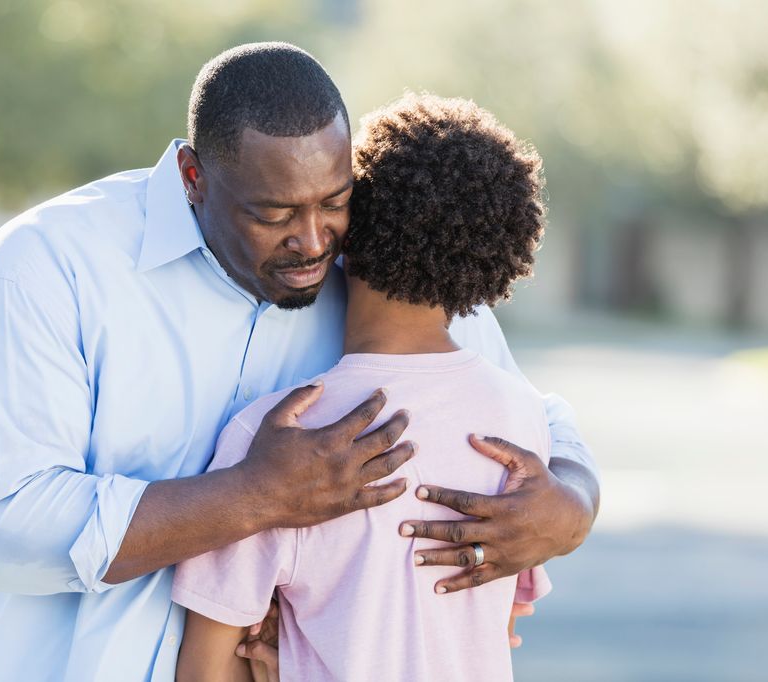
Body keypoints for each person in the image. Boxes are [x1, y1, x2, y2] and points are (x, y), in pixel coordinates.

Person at [0, 43, 599, 682]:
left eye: (334, 201)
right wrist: (255, 496)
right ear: (193, 177)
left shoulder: (383, 267)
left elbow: (531, 416)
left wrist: (571, 504)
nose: (312, 239)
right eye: (273, 213)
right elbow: (2, 525)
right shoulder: (50, 265)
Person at [173, 92, 554, 682]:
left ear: (347, 223)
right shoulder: (524, 419)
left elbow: (203, 671)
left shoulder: (279, 436)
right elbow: (499, 626)